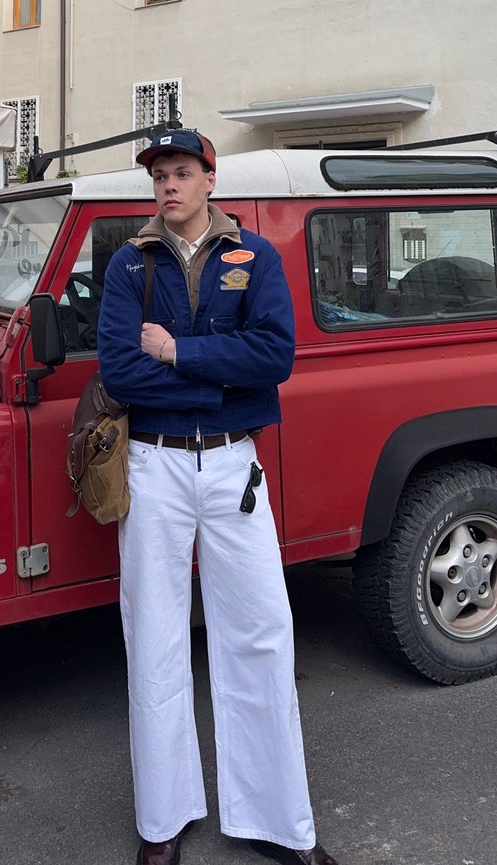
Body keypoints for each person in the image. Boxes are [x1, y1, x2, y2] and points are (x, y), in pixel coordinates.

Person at [98, 128, 340, 865]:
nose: (168, 185)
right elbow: (119, 372)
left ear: (210, 179)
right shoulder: (127, 264)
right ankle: (162, 822)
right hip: (155, 466)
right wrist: (218, 371)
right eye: (158, 175)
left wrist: (177, 349)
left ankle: (280, 823)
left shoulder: (256, 256)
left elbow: (276, 357)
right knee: (157, 638)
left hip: (234, 467)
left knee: (262, 631)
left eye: (181, 172)